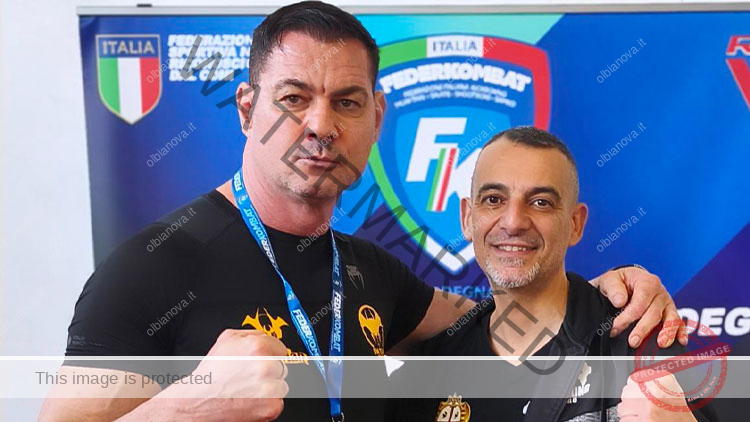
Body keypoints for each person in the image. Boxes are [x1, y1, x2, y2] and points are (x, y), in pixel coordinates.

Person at [39, 3, 684, 422]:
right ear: (247, 109)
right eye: (295, 99)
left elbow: (507, 310)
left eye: (346, 102)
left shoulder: (370, 272)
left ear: (376, 117)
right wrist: (192, 404)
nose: (321, 126)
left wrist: (612, 292)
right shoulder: (153, 267)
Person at [386, 126, 717, 422]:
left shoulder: (639, 345)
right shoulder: (430, 369)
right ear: (467, 219)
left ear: (575, 224)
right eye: (494, 199)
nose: (513, 222)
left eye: (541, 202)